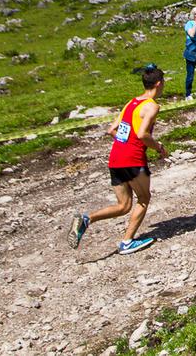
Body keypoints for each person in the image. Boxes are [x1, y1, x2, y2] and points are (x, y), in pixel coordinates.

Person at [69, 64, 168, 255]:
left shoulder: (131, 103)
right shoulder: (152, 106)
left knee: (124, 205)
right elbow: (142, 134)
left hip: (116, 157)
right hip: (133, 159)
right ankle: (126, 242)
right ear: (158, 83)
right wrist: (159, 148)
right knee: (144, 198)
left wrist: (125, 143)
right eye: (163, 83)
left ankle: (87, 218)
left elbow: (111, 129)